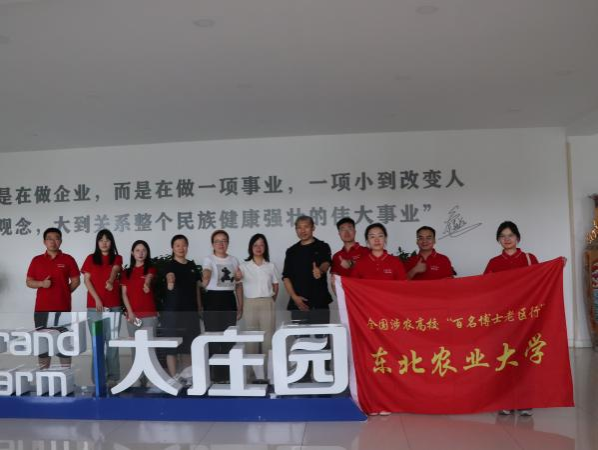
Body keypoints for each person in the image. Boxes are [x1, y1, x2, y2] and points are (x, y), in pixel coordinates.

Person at [484, 220, 537, 417]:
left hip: (524, 317)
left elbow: (540, 281)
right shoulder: (494, 263)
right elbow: (484, 288)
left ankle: (525, 401)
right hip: (502, 318)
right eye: (502, 236)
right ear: (498, 240)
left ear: (518, 238)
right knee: (504, 359)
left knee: (524, 358)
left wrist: (558, 266)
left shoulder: (529, 258)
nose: (507, 239)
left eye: (510, 235)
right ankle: (505, 401)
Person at [26, 227, 80, 369]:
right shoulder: (36, 260)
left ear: (60, 241)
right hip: (42, 310)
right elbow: (29, 282)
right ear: (44, 242)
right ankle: (44, 377)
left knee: (64, 345)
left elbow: (76, 281)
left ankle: (65, 375)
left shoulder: (68, 259)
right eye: (49, 238)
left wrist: (64, 293)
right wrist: (42, 284)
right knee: (43, 345)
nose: (53, 241)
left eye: (56, 238)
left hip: (63, 310)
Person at [81, 229, 123, 386]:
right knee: (97, 344)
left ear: (112, 242)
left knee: (112, 343)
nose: (104, 243)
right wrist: (97, 299)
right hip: (95, 308)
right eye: (101, 240)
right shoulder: (90, 258)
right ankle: (99, 378)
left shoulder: (117, 258)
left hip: (114, 307)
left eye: (107, 240)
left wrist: (111, 281)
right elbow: (86, 280)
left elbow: (115, 270)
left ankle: (113, 377)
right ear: (97, 242)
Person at [202, 230, 243, 382]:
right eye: (217, 241)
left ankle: (228, 375)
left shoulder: (234, 260)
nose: (221, 244)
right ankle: (214, 376)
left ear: (228, 243)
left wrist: (240, 306)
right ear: (212, 244)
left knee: (229, 338)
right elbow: (207, 271)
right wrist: (206, 277)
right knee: (213, 338)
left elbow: (238, 284)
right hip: (212, 299)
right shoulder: (208, 259)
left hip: (229, 300)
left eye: (224, 240)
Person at [238, 233, 280, 382]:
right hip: (249, 304)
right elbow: (239, 286)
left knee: (268, 339)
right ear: (250, 247)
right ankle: (252, 375)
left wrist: (270, 301)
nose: (258, 247)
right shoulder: (243, 266)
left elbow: (276, 285)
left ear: (265, 247)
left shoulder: (270, 265)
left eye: (261, 245)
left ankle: (268, 375)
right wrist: (241, 306)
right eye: (255, 245)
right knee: (251, 340)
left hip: (267, 302)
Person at [161, 234, 202, 378]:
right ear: (172, 248)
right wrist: (170, 281)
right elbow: (169, 283)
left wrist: (199, 306)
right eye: (177, 245)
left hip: (190, 312)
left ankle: (187, 377)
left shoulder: (192, 266)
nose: (181, 248)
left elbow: (197, 288)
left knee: (188, 346)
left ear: (187, 247)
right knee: (172, 346)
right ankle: (174, 378)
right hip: (173, 312)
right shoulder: (168, 266)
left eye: (184, 245)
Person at [283, 215, 333, 324]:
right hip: (298, 304)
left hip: (320, 302)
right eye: (299, 227)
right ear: (296, 230)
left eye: (306, 227)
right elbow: (286, 277)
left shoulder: (322, 246)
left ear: (313, 228)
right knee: (299, 335)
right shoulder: (291, 251)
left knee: (322, 334)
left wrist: (320, 270)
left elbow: (326, 263)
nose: (303, 230)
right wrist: (294, 297)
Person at [121, 240, 157, 386]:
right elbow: (124, 294)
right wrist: (130, 313)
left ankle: (151, 378)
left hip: (149, 315)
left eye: (143, 250)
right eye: (137, 250)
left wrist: (146, 284)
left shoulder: (151, 269)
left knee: (149, 347)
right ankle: (138, 377)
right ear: (132, 253)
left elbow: (149, 278)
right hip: (133, 316)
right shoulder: (126, 272)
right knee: (135, 347)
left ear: (147, 253)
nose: (140, 253)